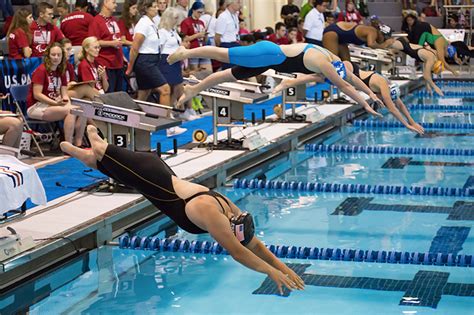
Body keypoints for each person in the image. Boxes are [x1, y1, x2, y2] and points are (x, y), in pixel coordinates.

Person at [61, 124, 306, 296]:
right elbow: (239, 253)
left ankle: (79, 152)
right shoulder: (213, 215)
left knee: (102, 165)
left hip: (154, 174)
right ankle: (94, 135)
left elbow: (255, 246)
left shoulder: (230, 209)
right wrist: (270, 273)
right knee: (102, 150)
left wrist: (284, 268)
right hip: (150, 171)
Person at [167, 41, 382, 117]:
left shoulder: (333, 58)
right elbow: (344, 84)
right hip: (267, 54)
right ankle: (185, 52)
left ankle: (194, 90)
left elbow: (351, 79)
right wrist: (365, 103)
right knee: (224, 55)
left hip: (269, 60)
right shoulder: (325, 63)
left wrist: (371, 93)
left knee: (226, 76)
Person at [26, 43, 86, 147]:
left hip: (54, 104)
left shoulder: (60, 70)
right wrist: (55, 103)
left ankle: (79, 143)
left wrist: (66, 101)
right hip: (37, 106)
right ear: (48, 56)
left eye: (59, 55)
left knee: (83, 109)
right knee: (71, 111)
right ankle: (67, 146)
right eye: (53, 55)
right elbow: (37, 95)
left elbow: (64, 93)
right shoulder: (41, 70)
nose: (56, 57)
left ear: (62, 56)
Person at [159, 7, 197, 122]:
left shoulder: (173, 31)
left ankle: (177, 111)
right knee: (171, 88)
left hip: (175, 60)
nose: (176, 21)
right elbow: (160, 48)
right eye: (174, 18)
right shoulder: (162, 32)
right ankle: (169, 114)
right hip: (166, 60)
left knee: (177, 88)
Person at [88, 0, 124, 92]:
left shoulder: (114, 20)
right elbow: (93, 42)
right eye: (113, 2)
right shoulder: (96, 21)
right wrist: (112, 43)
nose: (116, 5)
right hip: (106, 63)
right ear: (105, 2)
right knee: (109, 95)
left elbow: (117, 38)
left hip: (118, 63)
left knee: (119, 94)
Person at [322, 21, 395, 61]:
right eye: (384, 39)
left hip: (342, 39)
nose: (384, 40)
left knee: (347, 63)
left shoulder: (375, 33)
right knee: (333, 61)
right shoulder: (373, 31)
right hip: (333, 32)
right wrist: (384, 45)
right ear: (380, 33)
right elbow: (371, 44)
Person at [180, 1, 212, 74]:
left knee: (208, 72)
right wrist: (197, 35)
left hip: (203, 49)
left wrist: (205, 35)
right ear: (193, 10)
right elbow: (184, 39)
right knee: (195, 74)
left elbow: (204, 39)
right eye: (199, 12)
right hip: (193, 50)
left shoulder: (201, 22)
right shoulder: (186, 22)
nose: (200, 14)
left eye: (202, 12)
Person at [215, 0, 241, 69]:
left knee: (238, 68)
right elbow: (217, 37)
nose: (240, 5)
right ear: (231, 4)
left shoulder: (235, 15)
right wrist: (222, 48)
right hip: (226, 45)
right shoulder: (223, 17)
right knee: (229, 69)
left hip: (235, 43)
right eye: (238, 2)